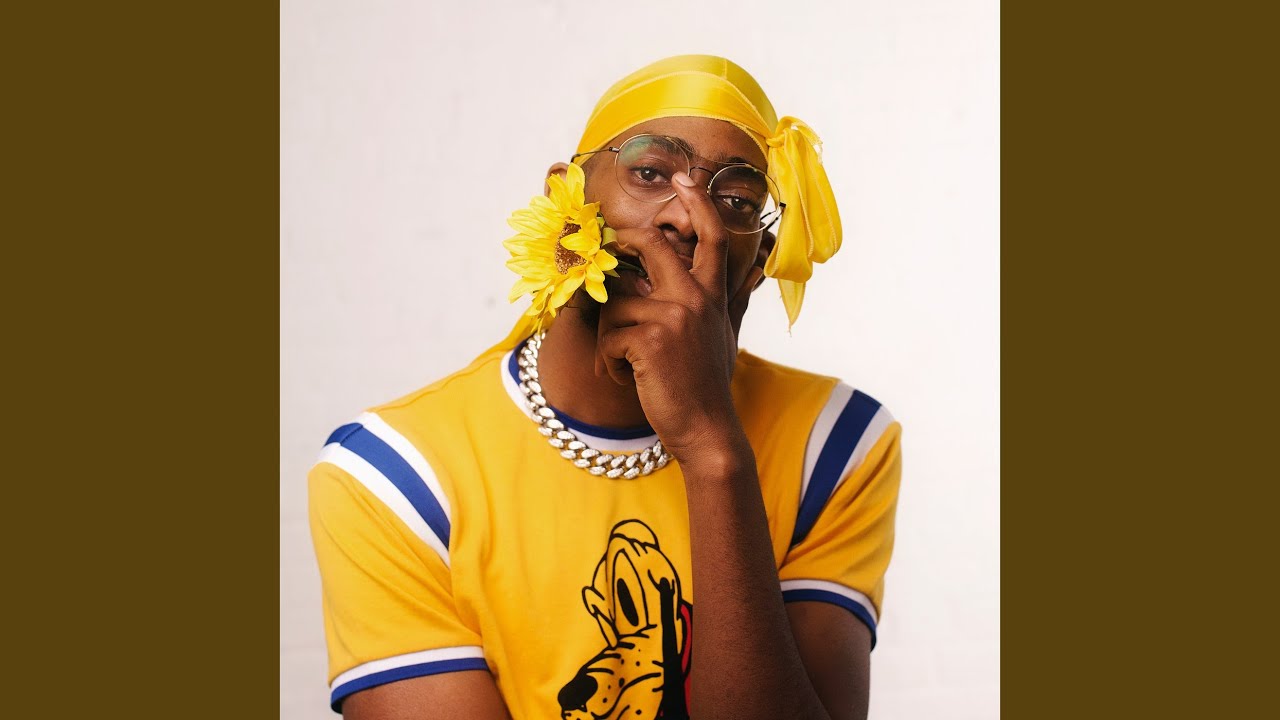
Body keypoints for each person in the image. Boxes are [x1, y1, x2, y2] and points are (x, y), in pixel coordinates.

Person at [308, 54, 903, 720]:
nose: (689, 220)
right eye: (650, 173)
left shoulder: (836, 442)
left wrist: (711, 449)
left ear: (758, 263)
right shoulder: (395, 475)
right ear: (564, 199)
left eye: (735, 202)